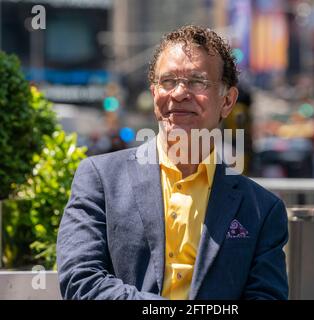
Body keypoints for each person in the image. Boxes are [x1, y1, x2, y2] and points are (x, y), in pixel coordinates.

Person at [56, 25, 289, 300]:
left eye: (197, 81)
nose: (179, 93)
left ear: (227, 101)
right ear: (154, 93)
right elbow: (80, 281)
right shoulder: (100, 179)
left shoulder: (262, 210)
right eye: (168, 81)